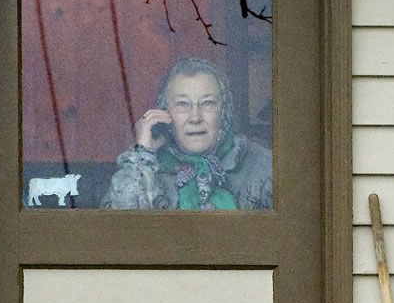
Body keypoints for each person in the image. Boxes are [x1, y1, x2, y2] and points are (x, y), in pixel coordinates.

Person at [101, 57, 273, 210]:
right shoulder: (149, 169)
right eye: (183, 104)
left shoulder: (266, 168)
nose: (195, 117)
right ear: (164, 112)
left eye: (208, 103)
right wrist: (142, 155)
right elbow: (117, 234)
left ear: (224, 111)